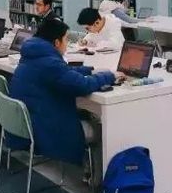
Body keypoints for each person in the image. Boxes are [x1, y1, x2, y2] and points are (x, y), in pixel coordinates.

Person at [9, 17, 124, 180]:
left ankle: (90, 171)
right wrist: (109, 76)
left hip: (29, 122)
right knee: (100, 127)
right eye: (66, 39)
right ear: (57, 42)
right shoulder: (50, 63)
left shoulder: (33, 55)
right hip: (46, 128)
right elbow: (83, 85)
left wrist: (90, 70)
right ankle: (97, 179)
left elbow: (62, 72)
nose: (67, 43)